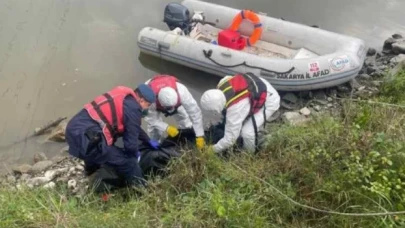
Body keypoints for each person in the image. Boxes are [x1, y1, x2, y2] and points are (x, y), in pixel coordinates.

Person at [65, 84, 159, 188]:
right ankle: (142, 191)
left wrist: (147, 140)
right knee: (129, 163)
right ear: (141, 100)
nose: (147, 108)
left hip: (74, 129)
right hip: (87, 138)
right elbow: (130, 146)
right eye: (148, 105)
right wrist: (135, 154)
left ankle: (90, 175)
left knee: (94, 152)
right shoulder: (134, 108)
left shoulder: (123, 96)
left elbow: (133, 126)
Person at [200, 73, 280, 153]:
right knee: (234, 123)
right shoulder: (222, 83)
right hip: (260, 84)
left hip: (269, 100)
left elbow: (230, 139)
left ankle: (249, 154)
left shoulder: (235, 109)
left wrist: (212, 150)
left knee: (247, 133)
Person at [144, 75, 205, 149]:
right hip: (154, 99)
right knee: (154, 128)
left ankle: (186, 133)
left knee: (183, 117)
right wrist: (167, 128)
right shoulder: (149, 99)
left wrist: (199, 135)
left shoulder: (182, 92)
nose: (171, 110)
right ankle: (155, 142)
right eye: (169, 108)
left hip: (174, 102)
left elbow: (195, 113)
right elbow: (151, 120)